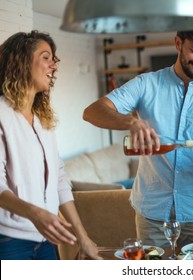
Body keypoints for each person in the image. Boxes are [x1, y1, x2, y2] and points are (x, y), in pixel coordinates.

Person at [83, 28, 193, 248]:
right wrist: (131, 122)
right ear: (178, 43)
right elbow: (92, 111)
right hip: (152, 212)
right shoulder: (145, 84)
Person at [0, 31, 102, 260]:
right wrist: (36, 214)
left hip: (45, 241)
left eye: (53, 59)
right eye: (46, 57)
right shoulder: (2, 115)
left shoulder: (41, 120)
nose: (53, 66)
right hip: (9, 242)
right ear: (22, 61)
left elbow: (59, 180)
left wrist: (82, 237)